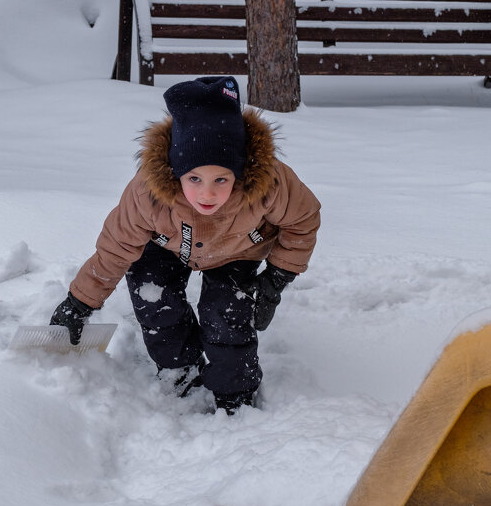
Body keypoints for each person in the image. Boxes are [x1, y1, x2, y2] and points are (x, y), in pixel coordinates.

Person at [50, 76, 320, 414]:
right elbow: (116, 247)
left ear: (240, 172)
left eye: (221, 179)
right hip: (165, 246)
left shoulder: (270, 185)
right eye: (194, 179)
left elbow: (303, 220)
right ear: (176, 172)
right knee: (156, 301)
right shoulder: (148, 195)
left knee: (226, 315)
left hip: (237, 250)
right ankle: (179, 367)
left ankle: (234, 390)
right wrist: (79, 302)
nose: (208, 194)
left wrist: (277, 277)